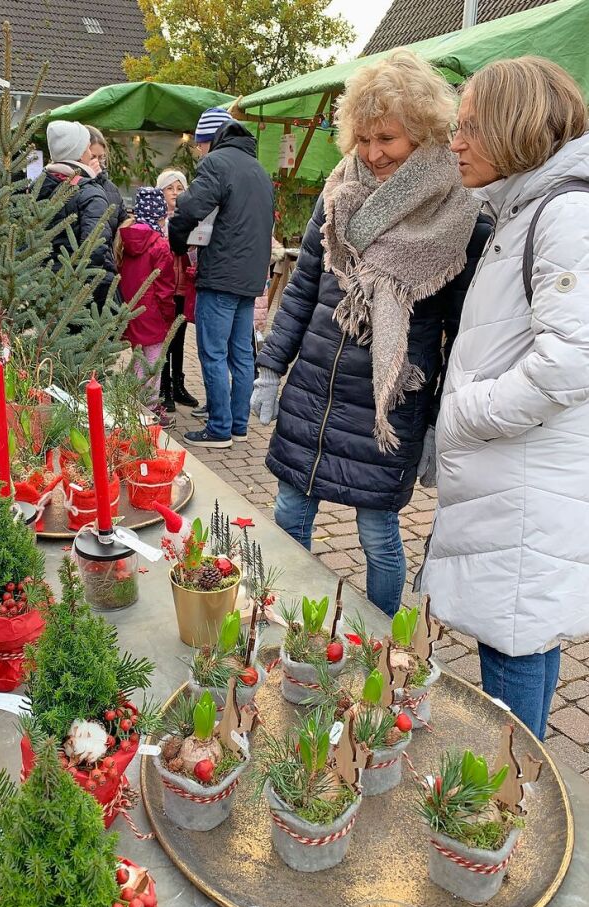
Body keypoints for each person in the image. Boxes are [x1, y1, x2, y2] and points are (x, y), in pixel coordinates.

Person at [249, 50, 490, 617]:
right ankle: (290, 624)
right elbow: (304, 287)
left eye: (388, 137)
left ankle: (382, 644)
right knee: (289, 515)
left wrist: (436, 423)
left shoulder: (460, 220)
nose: (373, 153)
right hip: (315, 391)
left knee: (378, 535)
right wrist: (269, 367)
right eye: (363, 137)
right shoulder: (337, 195)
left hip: (387, 403)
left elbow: (458, 334)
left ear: (425, 134)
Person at [421, 57, 589, 740]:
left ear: (515, 128)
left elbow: (571, 361)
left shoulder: (563, 214)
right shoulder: (523, 209)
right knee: (519, 631)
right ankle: (518, 791)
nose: (453, 143)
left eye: (468, 128)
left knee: (514, 636)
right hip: (513, 474)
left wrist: (466, 411)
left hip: (523, 479)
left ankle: (509, 803)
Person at [169, 108, 275, 449]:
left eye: (199, 145)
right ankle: (237, 424)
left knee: (212, 353)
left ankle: (218, 428)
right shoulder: (258, 169)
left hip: (221, 276)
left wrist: (176, 238)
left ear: (208, 140)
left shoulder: (217, 164)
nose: (199, 153)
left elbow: (188, 208)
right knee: (241, 355)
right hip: (250, 278)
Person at [39, 120, 115, 308]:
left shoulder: (38, 187)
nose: (91, 154)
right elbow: (95, 247)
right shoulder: (91, 192)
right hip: (85, 296)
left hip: (45, 287)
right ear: (80, 153)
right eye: (88, 149)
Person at [117, 187, 177, 419]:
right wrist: (169, 315)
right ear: (160, 216)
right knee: (153, 362)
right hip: (153, 315)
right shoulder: (159, 245)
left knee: (138, 356)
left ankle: (131, 398)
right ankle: (148, 409)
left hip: (133, 311)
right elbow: (165, 288)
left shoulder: (126, 239)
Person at [156, 167, 198, 411]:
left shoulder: (188, 219)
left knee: (180, 337)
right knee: (165, 338)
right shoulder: (158, 220)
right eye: (169, 188)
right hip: (165, 287)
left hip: (183, 287)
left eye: (179, 188)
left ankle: (178, 383)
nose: (174, 193)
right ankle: (163, 385)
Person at [86, 125, 128, 239]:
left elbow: (123, 221)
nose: (97, 162)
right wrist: (87, 177)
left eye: (101, 158)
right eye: (92, 157)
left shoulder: (111, 188)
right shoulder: (69, 185)